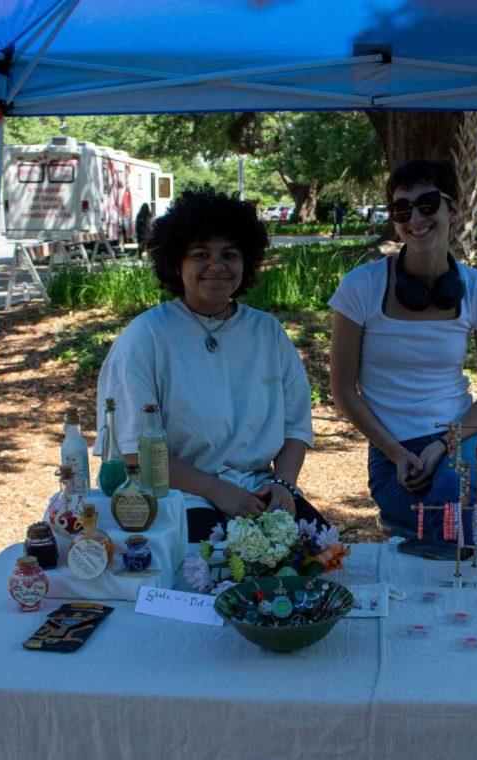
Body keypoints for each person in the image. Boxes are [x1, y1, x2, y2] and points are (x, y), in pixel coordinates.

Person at [94, 188, 327, 541]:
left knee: (325, 561)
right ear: (176, 263)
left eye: (229, 254)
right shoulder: (147, 336)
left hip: (260, 491)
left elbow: (296, 426)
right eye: (201, 254)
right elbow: (133, 453)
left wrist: (284, 485)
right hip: (177, 498)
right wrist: (217, 490)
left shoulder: (267, 332)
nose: (216, 266)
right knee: (213, 580)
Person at [328, 158, 477, 546]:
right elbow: (343, 391)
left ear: (453, 208)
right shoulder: (360, 287)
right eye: (402, 209)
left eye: (428, 204)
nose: (415, 218)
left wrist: (442, 444)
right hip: (391, 454)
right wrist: (397, 453)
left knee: (449, 492)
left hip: (462, 439)